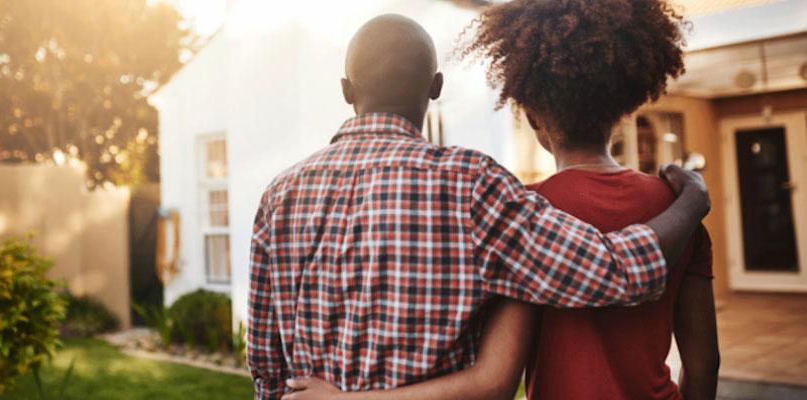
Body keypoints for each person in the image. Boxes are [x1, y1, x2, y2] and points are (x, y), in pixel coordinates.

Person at [249, 13, 710, 400]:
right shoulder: (473, 188)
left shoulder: (277, 197)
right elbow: (615, 272)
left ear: (347, 90)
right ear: (435, 86)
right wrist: (692, 200)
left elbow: (266, 371)